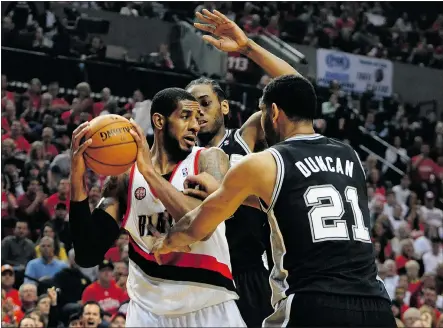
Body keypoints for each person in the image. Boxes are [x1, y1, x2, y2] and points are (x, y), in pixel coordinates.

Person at [152, 74, 396, 327]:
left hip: (313, 301)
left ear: (274, 112)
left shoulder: (264, 161)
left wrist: (166, 242)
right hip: (376, 304)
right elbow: (292, 200)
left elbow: (197, 226)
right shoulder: (351, 156)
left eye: (262, 111)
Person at [69, 88, 245, 326]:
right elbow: (87, 254)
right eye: (185, 116)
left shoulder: (209, 159)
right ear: (159, 120)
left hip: (208, 303)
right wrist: (77, 178)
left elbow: (200, 225)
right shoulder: (123, 179)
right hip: (147, 313)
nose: (195, 125)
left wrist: (149, 172)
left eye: (197, 118)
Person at [183, 8, 299, 325]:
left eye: (205, 104)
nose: (198, 114)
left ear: (224, 106)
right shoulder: (182, 157)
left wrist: (247, 47)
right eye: (190, 110)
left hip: (249, 271)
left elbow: (295, 88)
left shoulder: (246, 137)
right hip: (202, 273)